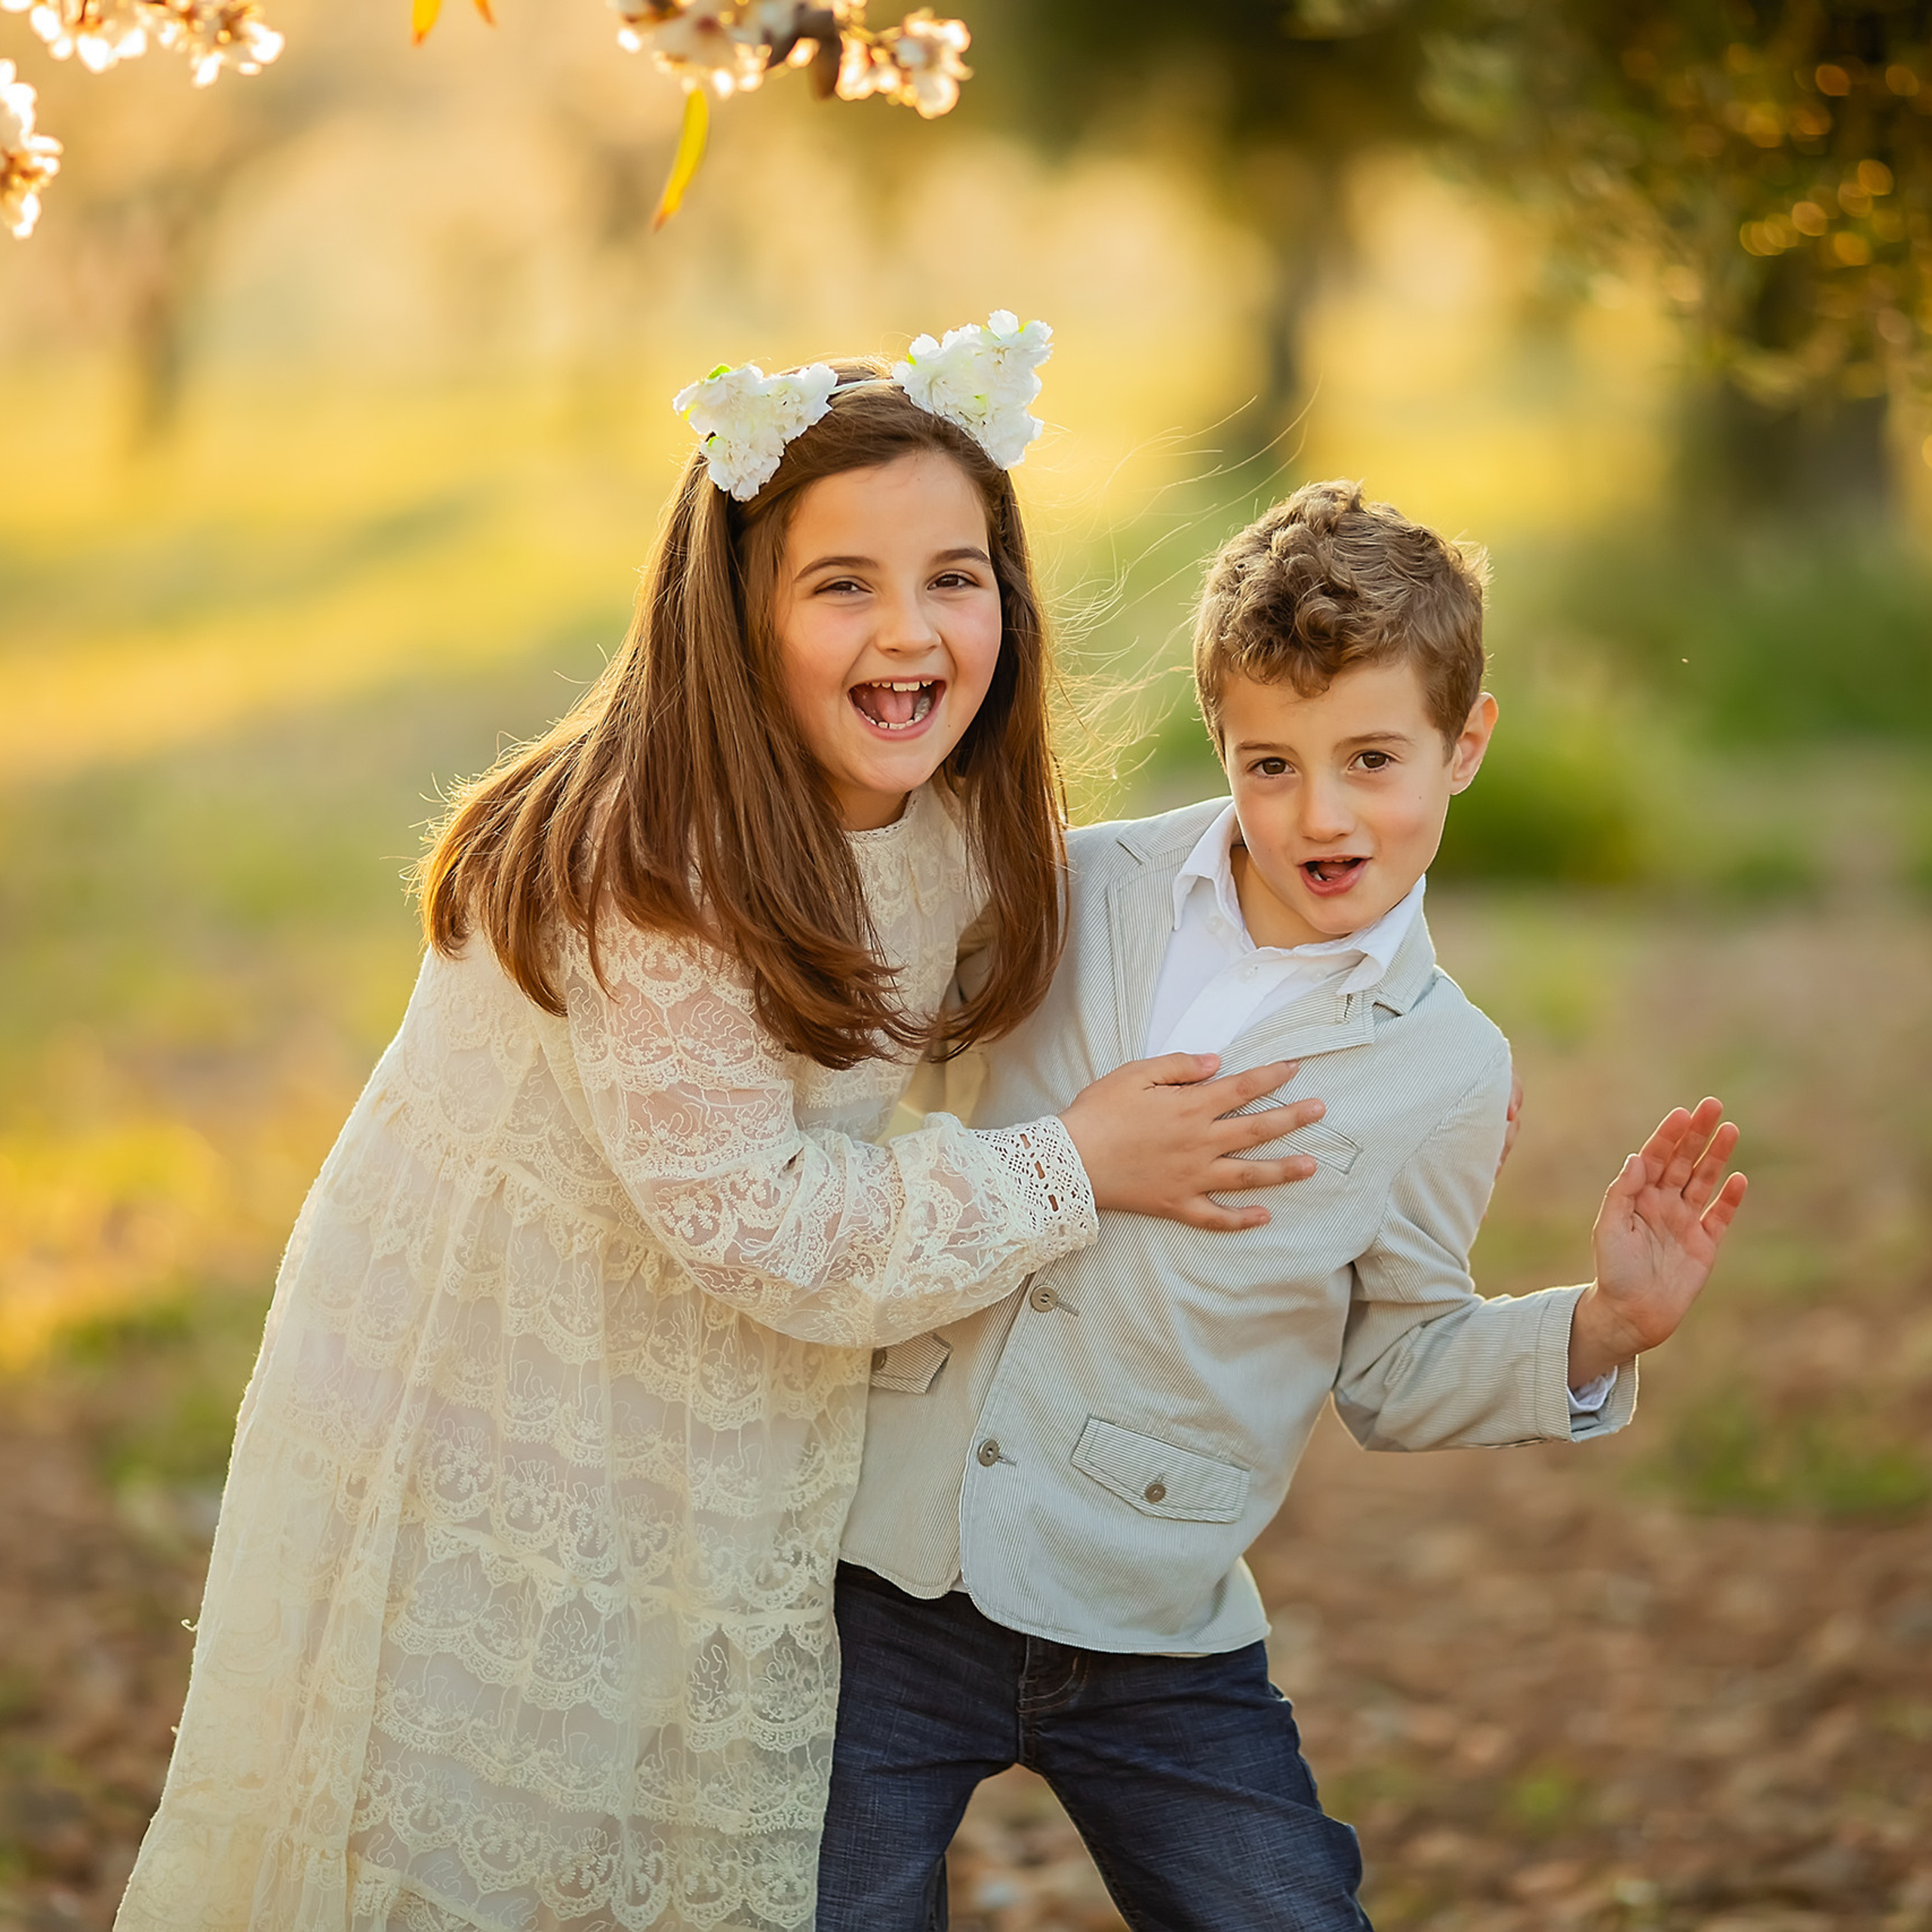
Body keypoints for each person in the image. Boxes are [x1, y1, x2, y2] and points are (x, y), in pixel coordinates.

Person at [112, 321, 1328, 1932]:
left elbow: (1148, 909)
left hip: (712, 1370)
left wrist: (1371, 1012)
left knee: (680, 1818)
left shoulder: (951, 803)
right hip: (505, 1381)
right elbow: (763, 1225)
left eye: (953, 577)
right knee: (497, 1799)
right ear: (735, 611)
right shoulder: (653, 865)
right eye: (843, 585)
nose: (909, 633)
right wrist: (1071, 1165)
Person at [818, 478, 1750, 1932]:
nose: (1321, 815)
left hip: (1158, 1616)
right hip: (899, 1564)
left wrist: (1601, 1325)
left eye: (1374, 758)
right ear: (1224, 747)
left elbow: (1394, 1365)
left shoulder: (1446, 1071)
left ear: (1468, 746)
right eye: (1272, 766)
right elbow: (887, 1055)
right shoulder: (1077, 884)